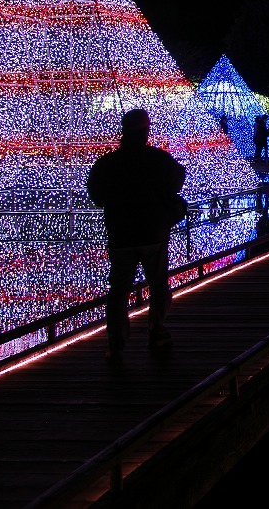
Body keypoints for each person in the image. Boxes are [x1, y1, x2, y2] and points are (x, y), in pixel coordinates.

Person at [86, 108, 187, 362]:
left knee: (119, 289)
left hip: (121, 234)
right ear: (145, 131)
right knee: (158, 284)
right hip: (153, 232)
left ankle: (116, 340)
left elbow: (97, 196)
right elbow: (177, 182)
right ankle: (156, 328)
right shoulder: (159, 160)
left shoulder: (107, 164)